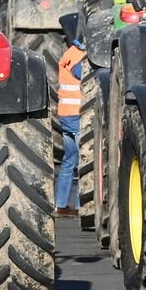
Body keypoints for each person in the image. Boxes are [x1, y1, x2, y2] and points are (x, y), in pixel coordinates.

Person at [54, 37, 85, 217]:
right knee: (84, 161)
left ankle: (61, 205)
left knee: (69, 161)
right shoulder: (78, 57)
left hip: (66, 114)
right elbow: (82, 74)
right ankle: (82, 207)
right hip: (76, 115)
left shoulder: (70, 53)